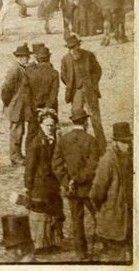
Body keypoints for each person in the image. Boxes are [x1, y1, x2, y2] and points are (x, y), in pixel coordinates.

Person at [53, 107, 101, 260]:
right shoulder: (91, 140)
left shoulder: (63, 140)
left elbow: (56, 165)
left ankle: (81, 252)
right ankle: (108, 244)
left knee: (76, 221)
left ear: (72, 122)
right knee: (98, 215)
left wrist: (67, 182)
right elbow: (94, 166)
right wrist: (79, 179)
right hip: (88, 188)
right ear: (86, 122)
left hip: (71, 189)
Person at [90, 122, 133, 262]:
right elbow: (96, 192)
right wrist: (102, 208)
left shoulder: (131, 158)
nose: (127, 145)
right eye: (123, 142)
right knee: (114, 257)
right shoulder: (107, 161)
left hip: (128, 219)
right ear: (115, 142)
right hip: (112, 218)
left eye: (128, 141)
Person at [24, 109, 64, 253]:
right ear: (41, 125)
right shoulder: (36, 143)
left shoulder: (55, 140)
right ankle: (41, 244)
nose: (50, 128)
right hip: (39, 184)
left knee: (54, 212)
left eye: (52, 125)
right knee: (41, 213)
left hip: (52, 183)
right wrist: (28, 186)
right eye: (47, 125)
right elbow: (30, 166)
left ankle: (53, 241)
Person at [60, 34, 105, 152]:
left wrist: (92, 83)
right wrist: (70, 85)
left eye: (74, 47)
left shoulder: (88, 56)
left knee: (95, 119)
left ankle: (101, 146)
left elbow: (98, 71)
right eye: (70, 48)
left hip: (90, 91)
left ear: (79, 45)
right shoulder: (65, 59)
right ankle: (81, 145)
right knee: (77, 118)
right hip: (75, 92)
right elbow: (63, 75)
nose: (73, 50)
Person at [1, 44, 35, 166]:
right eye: (26, 57)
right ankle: (15, 156)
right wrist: (8, 103)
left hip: (19, 106)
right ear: (20, 57)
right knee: (16, 131)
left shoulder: (21, 68)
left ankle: (18, 154)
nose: (28, 59)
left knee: (20, 130)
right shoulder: (15, 69)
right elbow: (6, 89)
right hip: (15, 106)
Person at [26, 43, 59, 141]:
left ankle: (31, 155)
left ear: (37, 58)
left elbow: (27, 92)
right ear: (49, 57)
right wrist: (47, 108)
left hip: (33, 107)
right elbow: (54, 93)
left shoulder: (29, 72)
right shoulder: (54, 73)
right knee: (50, 131)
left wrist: (32, 105)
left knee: (32, 132)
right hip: (50, 107)